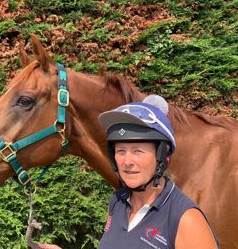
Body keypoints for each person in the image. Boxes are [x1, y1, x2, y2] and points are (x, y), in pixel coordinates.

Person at [38, 95, 219, 249]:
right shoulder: (117, 202)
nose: (127, 162)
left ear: (161, 155)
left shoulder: (185, 219)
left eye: (138, 151)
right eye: (120, 151)